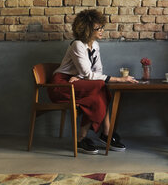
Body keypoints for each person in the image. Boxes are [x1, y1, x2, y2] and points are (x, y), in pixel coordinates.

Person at [48, 9, 138, 155]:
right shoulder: (77, 45)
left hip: (78, 83)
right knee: (100, 87)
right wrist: (119, 79)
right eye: (98, 28)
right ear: (87, 30)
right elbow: (89, 74)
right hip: (61, 85)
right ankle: (105, 133)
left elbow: (97, 72)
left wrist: (83, 77)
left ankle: (84, 138)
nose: (102, 30)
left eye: (102, 27)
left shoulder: (95, 46)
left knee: (98, 93)